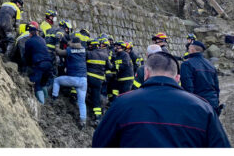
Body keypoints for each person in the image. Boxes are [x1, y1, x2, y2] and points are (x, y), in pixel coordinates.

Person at [92, 51, 231, 148]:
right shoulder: (202, 108)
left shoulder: (122, 104)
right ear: (178, 78)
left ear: (146, 73)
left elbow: (99, 144)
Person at [52, 37, 87, 129]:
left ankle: (54, 98)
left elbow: (59, 52)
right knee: (82, 102)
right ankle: (83, 121)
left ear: (73, 43)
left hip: (73, 78)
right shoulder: (83, 50)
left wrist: (56, 44)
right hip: (84, 80)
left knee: (56, 80)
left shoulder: (70, 50)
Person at [180, 40, 223, 115]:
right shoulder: (210, 65)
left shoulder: (186, 64)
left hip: (197, 104)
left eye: (189, 49)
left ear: (192, 50)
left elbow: (187, 87)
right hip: (212, 103)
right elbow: (216, 87)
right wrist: (216, 102)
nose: (188, 50)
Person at [25, 24, 54, 104]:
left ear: (30, 33)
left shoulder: (28, 41)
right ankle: (47, 101)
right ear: (37, 33)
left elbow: (27, 55)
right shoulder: (42, 40)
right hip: (49, 63)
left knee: (37, 85)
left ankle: (42, 104)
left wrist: (28, 65)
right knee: (43, 83)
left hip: (40, 64)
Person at [86, 39, 112, 125]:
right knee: (96, 99)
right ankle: (98, 117)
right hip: (99, 81)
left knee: (85, 92)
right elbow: (109, 67)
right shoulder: (105, 55)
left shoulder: (88, 53)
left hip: (89, 79)